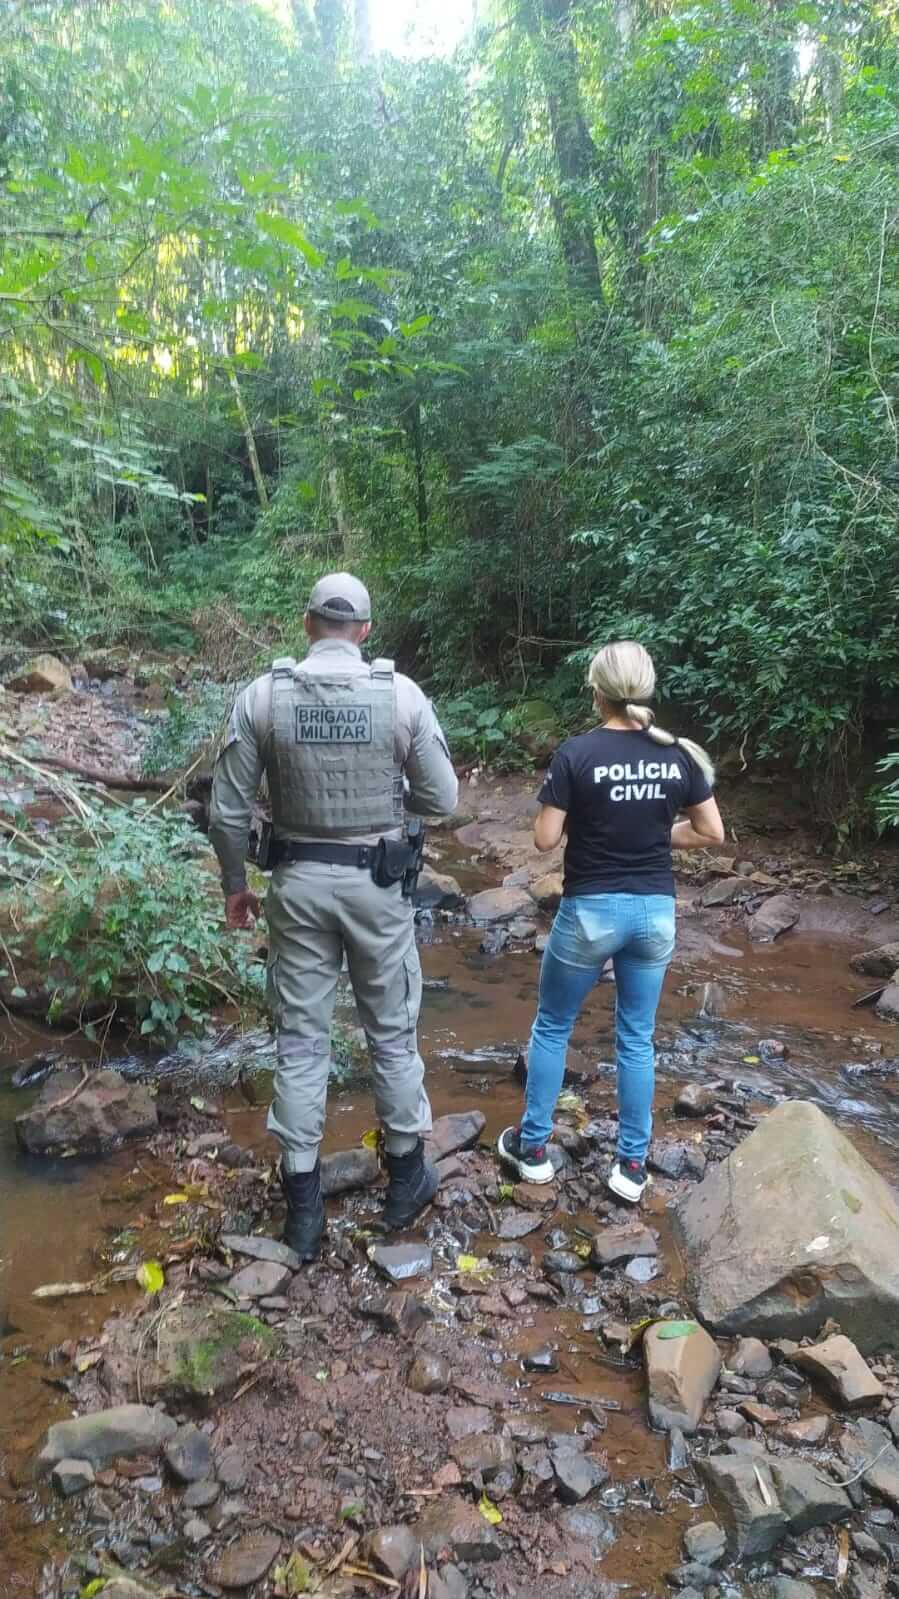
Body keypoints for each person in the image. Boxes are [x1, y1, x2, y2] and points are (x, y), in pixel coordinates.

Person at [209, 573, 458, 1260]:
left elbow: (228, 811)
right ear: (366, 631)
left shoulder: (263, 695)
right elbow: (442, 797)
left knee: (299, 1041)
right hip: (378, 889)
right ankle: (406, 1179)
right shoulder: (399, 694)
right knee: (391, 1032)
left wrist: (236, 883)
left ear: (307, 623)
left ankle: (303, 1210)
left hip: (296, 887)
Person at [498, 640, 724, 1205]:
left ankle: (532, 1152)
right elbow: (711, 833)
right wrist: (654, 833)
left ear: (596, 693)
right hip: (653, 914)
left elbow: (546, 839)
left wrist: (588, 822)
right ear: (645, 690)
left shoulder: (576, 753)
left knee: (553, 1026)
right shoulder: (678, 755)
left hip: (590, 912)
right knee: (637, 1038)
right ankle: (630, 1166)